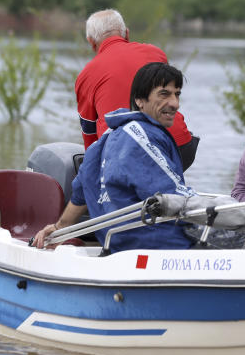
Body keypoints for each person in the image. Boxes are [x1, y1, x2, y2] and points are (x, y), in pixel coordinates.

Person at [34, 62, 195, 251]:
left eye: (177, 94)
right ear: (140, 100)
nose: (175, 103)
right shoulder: (142, 137)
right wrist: (228, 212)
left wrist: (59, 228)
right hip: (156, 244)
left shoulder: (109, 135)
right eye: (164, 94)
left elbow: (82, 189)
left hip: (119, 244)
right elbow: (172, 196)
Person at [76, 8, 199, 170]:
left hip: (126, 156)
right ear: (126, 34)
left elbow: (89, 135)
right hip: (180, 146)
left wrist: (92, 172)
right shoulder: (156, 53)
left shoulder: (86, 74)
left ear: (91, 42)